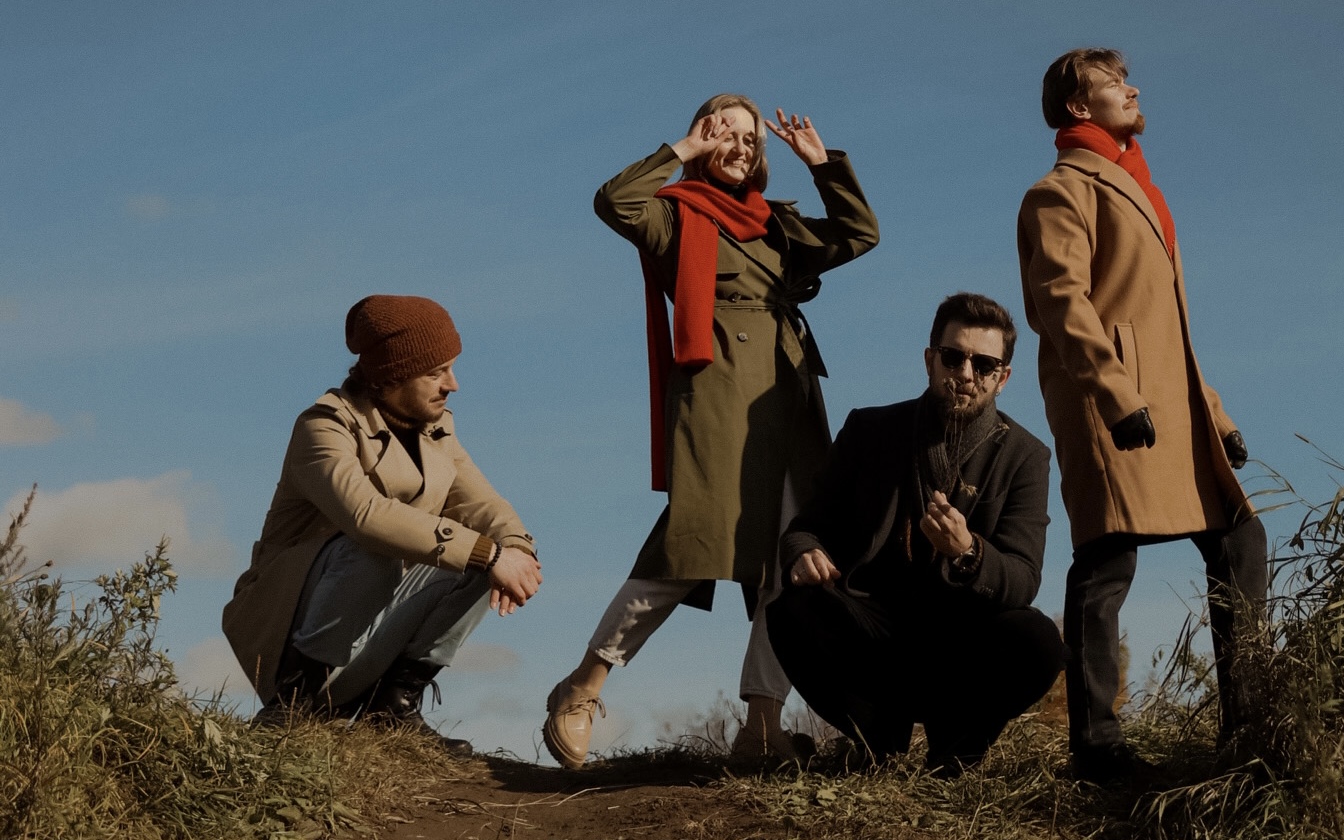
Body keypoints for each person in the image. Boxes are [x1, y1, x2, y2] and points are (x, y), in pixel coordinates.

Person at [542, 95, 878, 770]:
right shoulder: (674, 214)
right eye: (723, 132)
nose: (739, 146)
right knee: (689, 545)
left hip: (788, 398)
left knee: (794, 556)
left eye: (750, 139)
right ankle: (585, 684)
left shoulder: (776, 223)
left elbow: (858, 233)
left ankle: (761, 725)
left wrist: (823, 166)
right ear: (701, 137)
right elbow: (614, 202)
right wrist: (680, 152)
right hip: (718, 394)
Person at [1017, 48, 1266, 783]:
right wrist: (1115, 395)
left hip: (1172, 405)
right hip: (1109, 399)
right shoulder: (1058, 191)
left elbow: (1171, 331)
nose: (1132, 90)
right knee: (1107, 555)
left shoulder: (1142, 187)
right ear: (1078, 106)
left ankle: (1249, 728)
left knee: (1241, 539)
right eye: (1114, 83)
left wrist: (1215, 414)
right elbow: (1060, 302)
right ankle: (1096, 747)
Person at [223, 295, 542, 753]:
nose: (453, 384)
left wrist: (516, 550)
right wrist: (488, 554)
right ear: (393, 374)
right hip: (285, 629)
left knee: (486, 557)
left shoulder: (436, 430)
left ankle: (391, 706)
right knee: (386, 549)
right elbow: (366, 516)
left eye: (451, 368)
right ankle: (293, 704)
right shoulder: (323, 427)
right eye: (436, 372)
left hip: (369, 623)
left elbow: (483, 504)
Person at [766, 293, 1061, 775]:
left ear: (1003, 377)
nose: (966, 373)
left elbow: (1023, 578)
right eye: (953, 357)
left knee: (1039, 642)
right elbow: (809, 526)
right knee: (792, 609)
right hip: (874, 629)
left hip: (963, 643)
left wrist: (969, 552)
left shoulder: (1027, 456)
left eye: (984, 364)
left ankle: (954, 756)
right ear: (930, 360)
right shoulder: (869, 429)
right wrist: (804, 552)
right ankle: (876, 743)